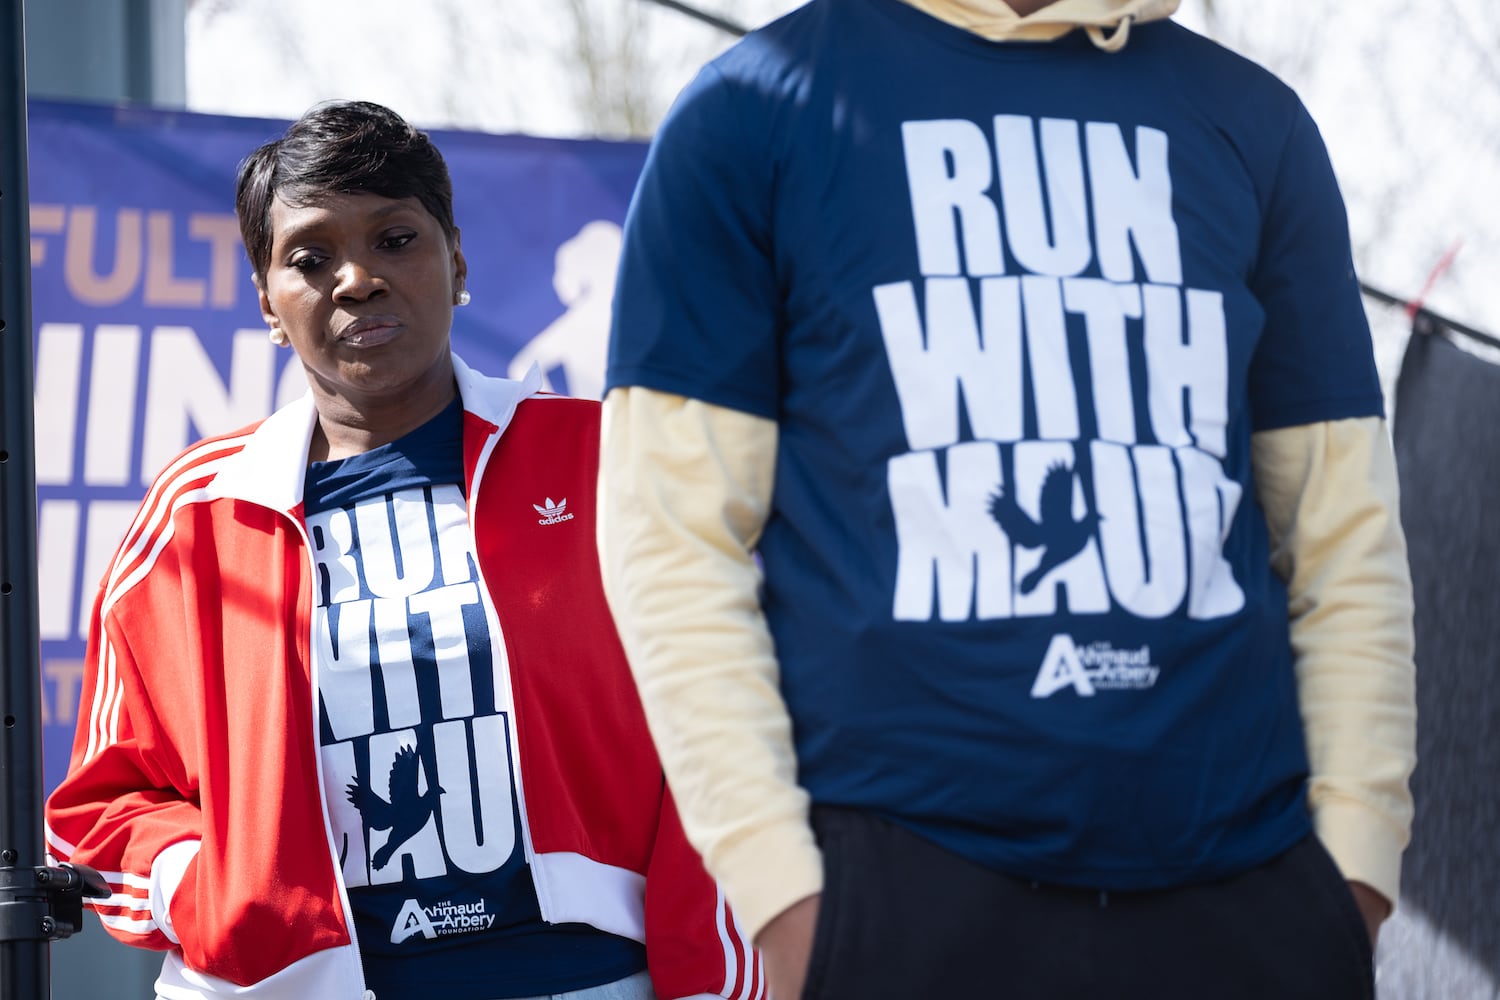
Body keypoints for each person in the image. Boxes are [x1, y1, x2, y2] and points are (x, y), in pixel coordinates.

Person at [598, 1, 1417, 997]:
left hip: (1253, 883)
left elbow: (1344, 534)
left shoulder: (1254, 119)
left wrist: (1359, 867)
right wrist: (780, 891)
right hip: (899, 881)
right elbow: (670, 533)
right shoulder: (748, 110)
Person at [45, 100, 760, 1000]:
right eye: (309, 259)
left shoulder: (612, 462)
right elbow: (102, 809)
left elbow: (733, 737)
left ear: (455, 260)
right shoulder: (198, 515)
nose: (356, 280)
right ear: (268, 303)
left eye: (394, 239)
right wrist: (216, 894)